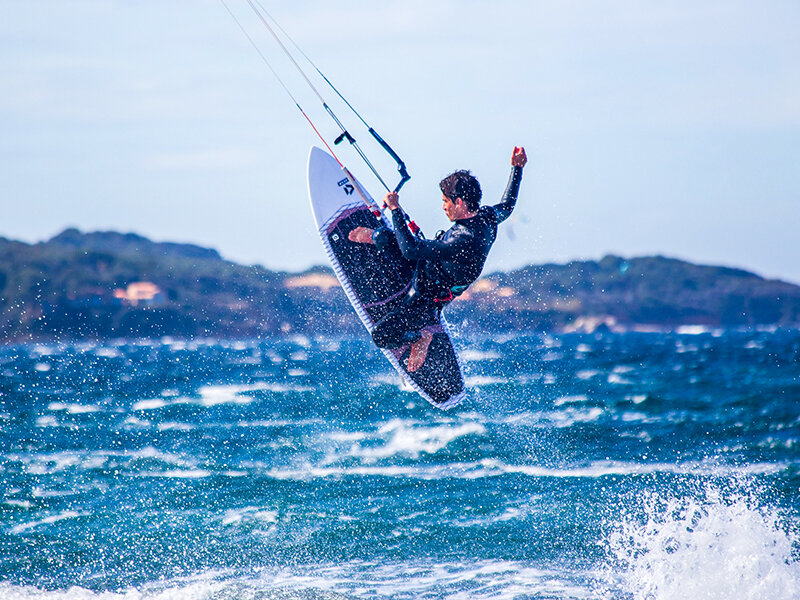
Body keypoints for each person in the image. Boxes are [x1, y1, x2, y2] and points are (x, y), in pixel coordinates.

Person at [348, 146, 527, 371]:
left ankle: (419, 338)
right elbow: (508, 206)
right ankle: (375, 237)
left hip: (427, 296)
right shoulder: (487, 217)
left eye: (446, 201)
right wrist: (517, 168)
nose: (443, 207)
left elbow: (410, 251)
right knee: (384, 236)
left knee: (381, 337)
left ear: (460, 202)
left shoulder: (463, 239)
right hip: (426, 266)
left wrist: (395, 210)